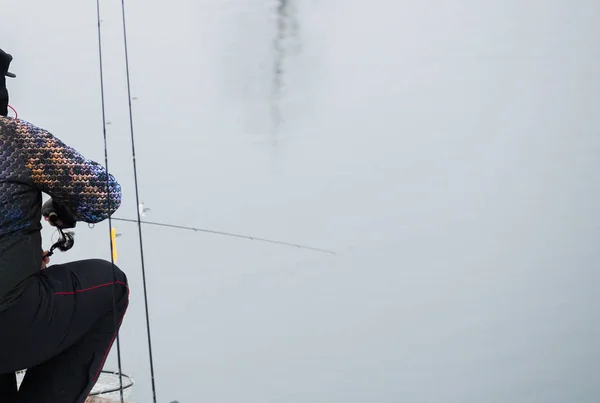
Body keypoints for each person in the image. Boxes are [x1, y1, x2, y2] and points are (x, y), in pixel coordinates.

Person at [0, 48, 130, 403]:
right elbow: (104, 195)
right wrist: (65, 207)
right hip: (8, 323)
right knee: (111, 286)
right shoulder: (15, 139)